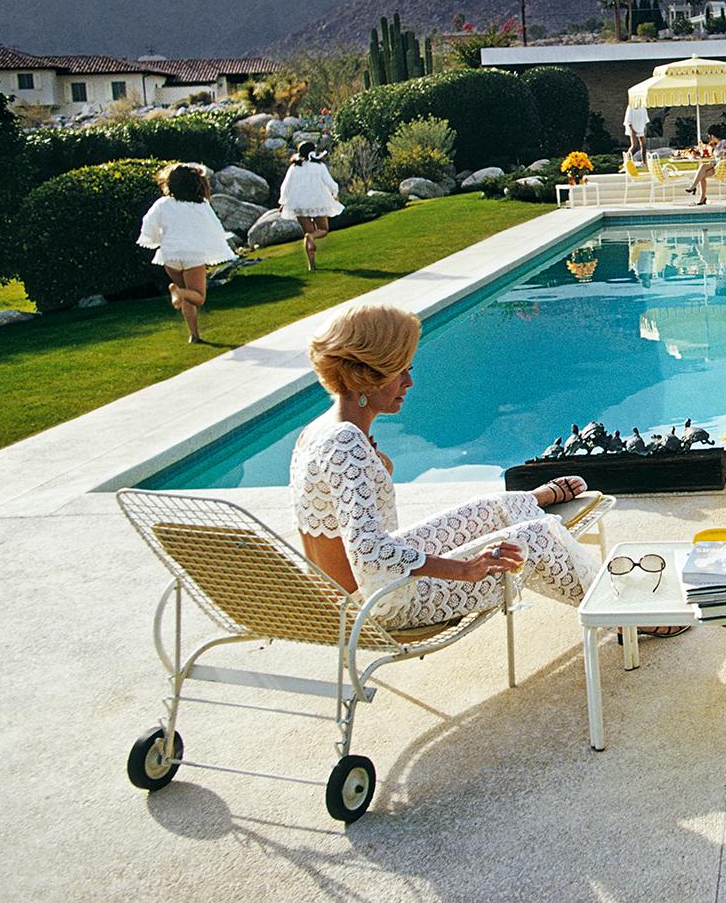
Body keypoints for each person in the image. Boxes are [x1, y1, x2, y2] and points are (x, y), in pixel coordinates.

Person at [289, 304, 686, 636]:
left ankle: (527, 500)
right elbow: (370, 553)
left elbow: (347, 530)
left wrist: (379, 468)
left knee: (491, 508)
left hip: (364, 590)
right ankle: (624, 617)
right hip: (384, 604)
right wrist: (465, 569)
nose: (410, 381)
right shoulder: (346, 444)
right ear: (369, 373)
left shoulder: (321, 431)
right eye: (401, 370)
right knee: (539, 537)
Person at [135, 162, 236, 344]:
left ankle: (194, 335)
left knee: (188, 297)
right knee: (198, 297)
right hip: (192, 256)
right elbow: (213, 228)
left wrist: (159, 240)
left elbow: (149, 224)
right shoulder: (200, 205)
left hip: (170, 256)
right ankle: (177, 291)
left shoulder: (162, 204)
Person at [278, 141, 344, 272]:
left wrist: (283, 202)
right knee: (323, 230)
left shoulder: (294, 168)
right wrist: (334, 193)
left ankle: (311, 264)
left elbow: (285, 186)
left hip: (300, 204)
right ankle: (312, 237)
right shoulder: (319, 166)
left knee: (307, 232)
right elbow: (330, 182)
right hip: (317, 202)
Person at [685, 131, 726, 205]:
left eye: (710, 137)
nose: (709, 139)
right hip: (716, 165)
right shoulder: (717, 145)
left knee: (702, 170)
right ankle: (702, 198)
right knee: (702, 171)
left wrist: (725, 151)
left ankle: (694, 187)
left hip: (722, 167)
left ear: (713, 136)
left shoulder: (724, 142)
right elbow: (716, 157)